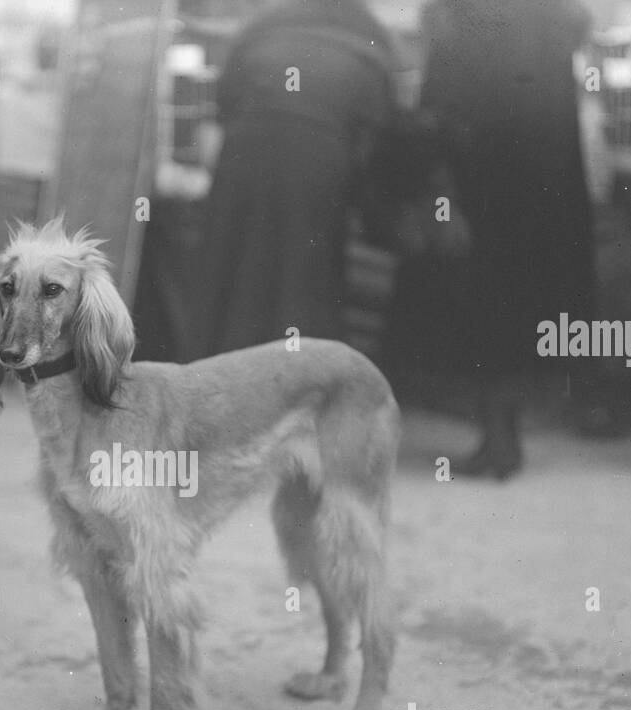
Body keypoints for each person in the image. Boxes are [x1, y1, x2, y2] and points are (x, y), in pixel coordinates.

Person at [413, 0, 594, 479]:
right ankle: (503, 436)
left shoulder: (462, 16)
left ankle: (497, 441)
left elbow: (439, 106)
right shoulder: (555, 17)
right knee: (519, 310)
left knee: (485, 309)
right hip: (542, 187)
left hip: (482, 182)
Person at [198, 0, 395, 356]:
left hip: (245, 150)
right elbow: (379, 136)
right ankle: (296, 377)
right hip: (319, 160)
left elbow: (222, 103)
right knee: (303, 276)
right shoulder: (370, 37)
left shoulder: (264, 24)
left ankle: (217, 369)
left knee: (229, 266)